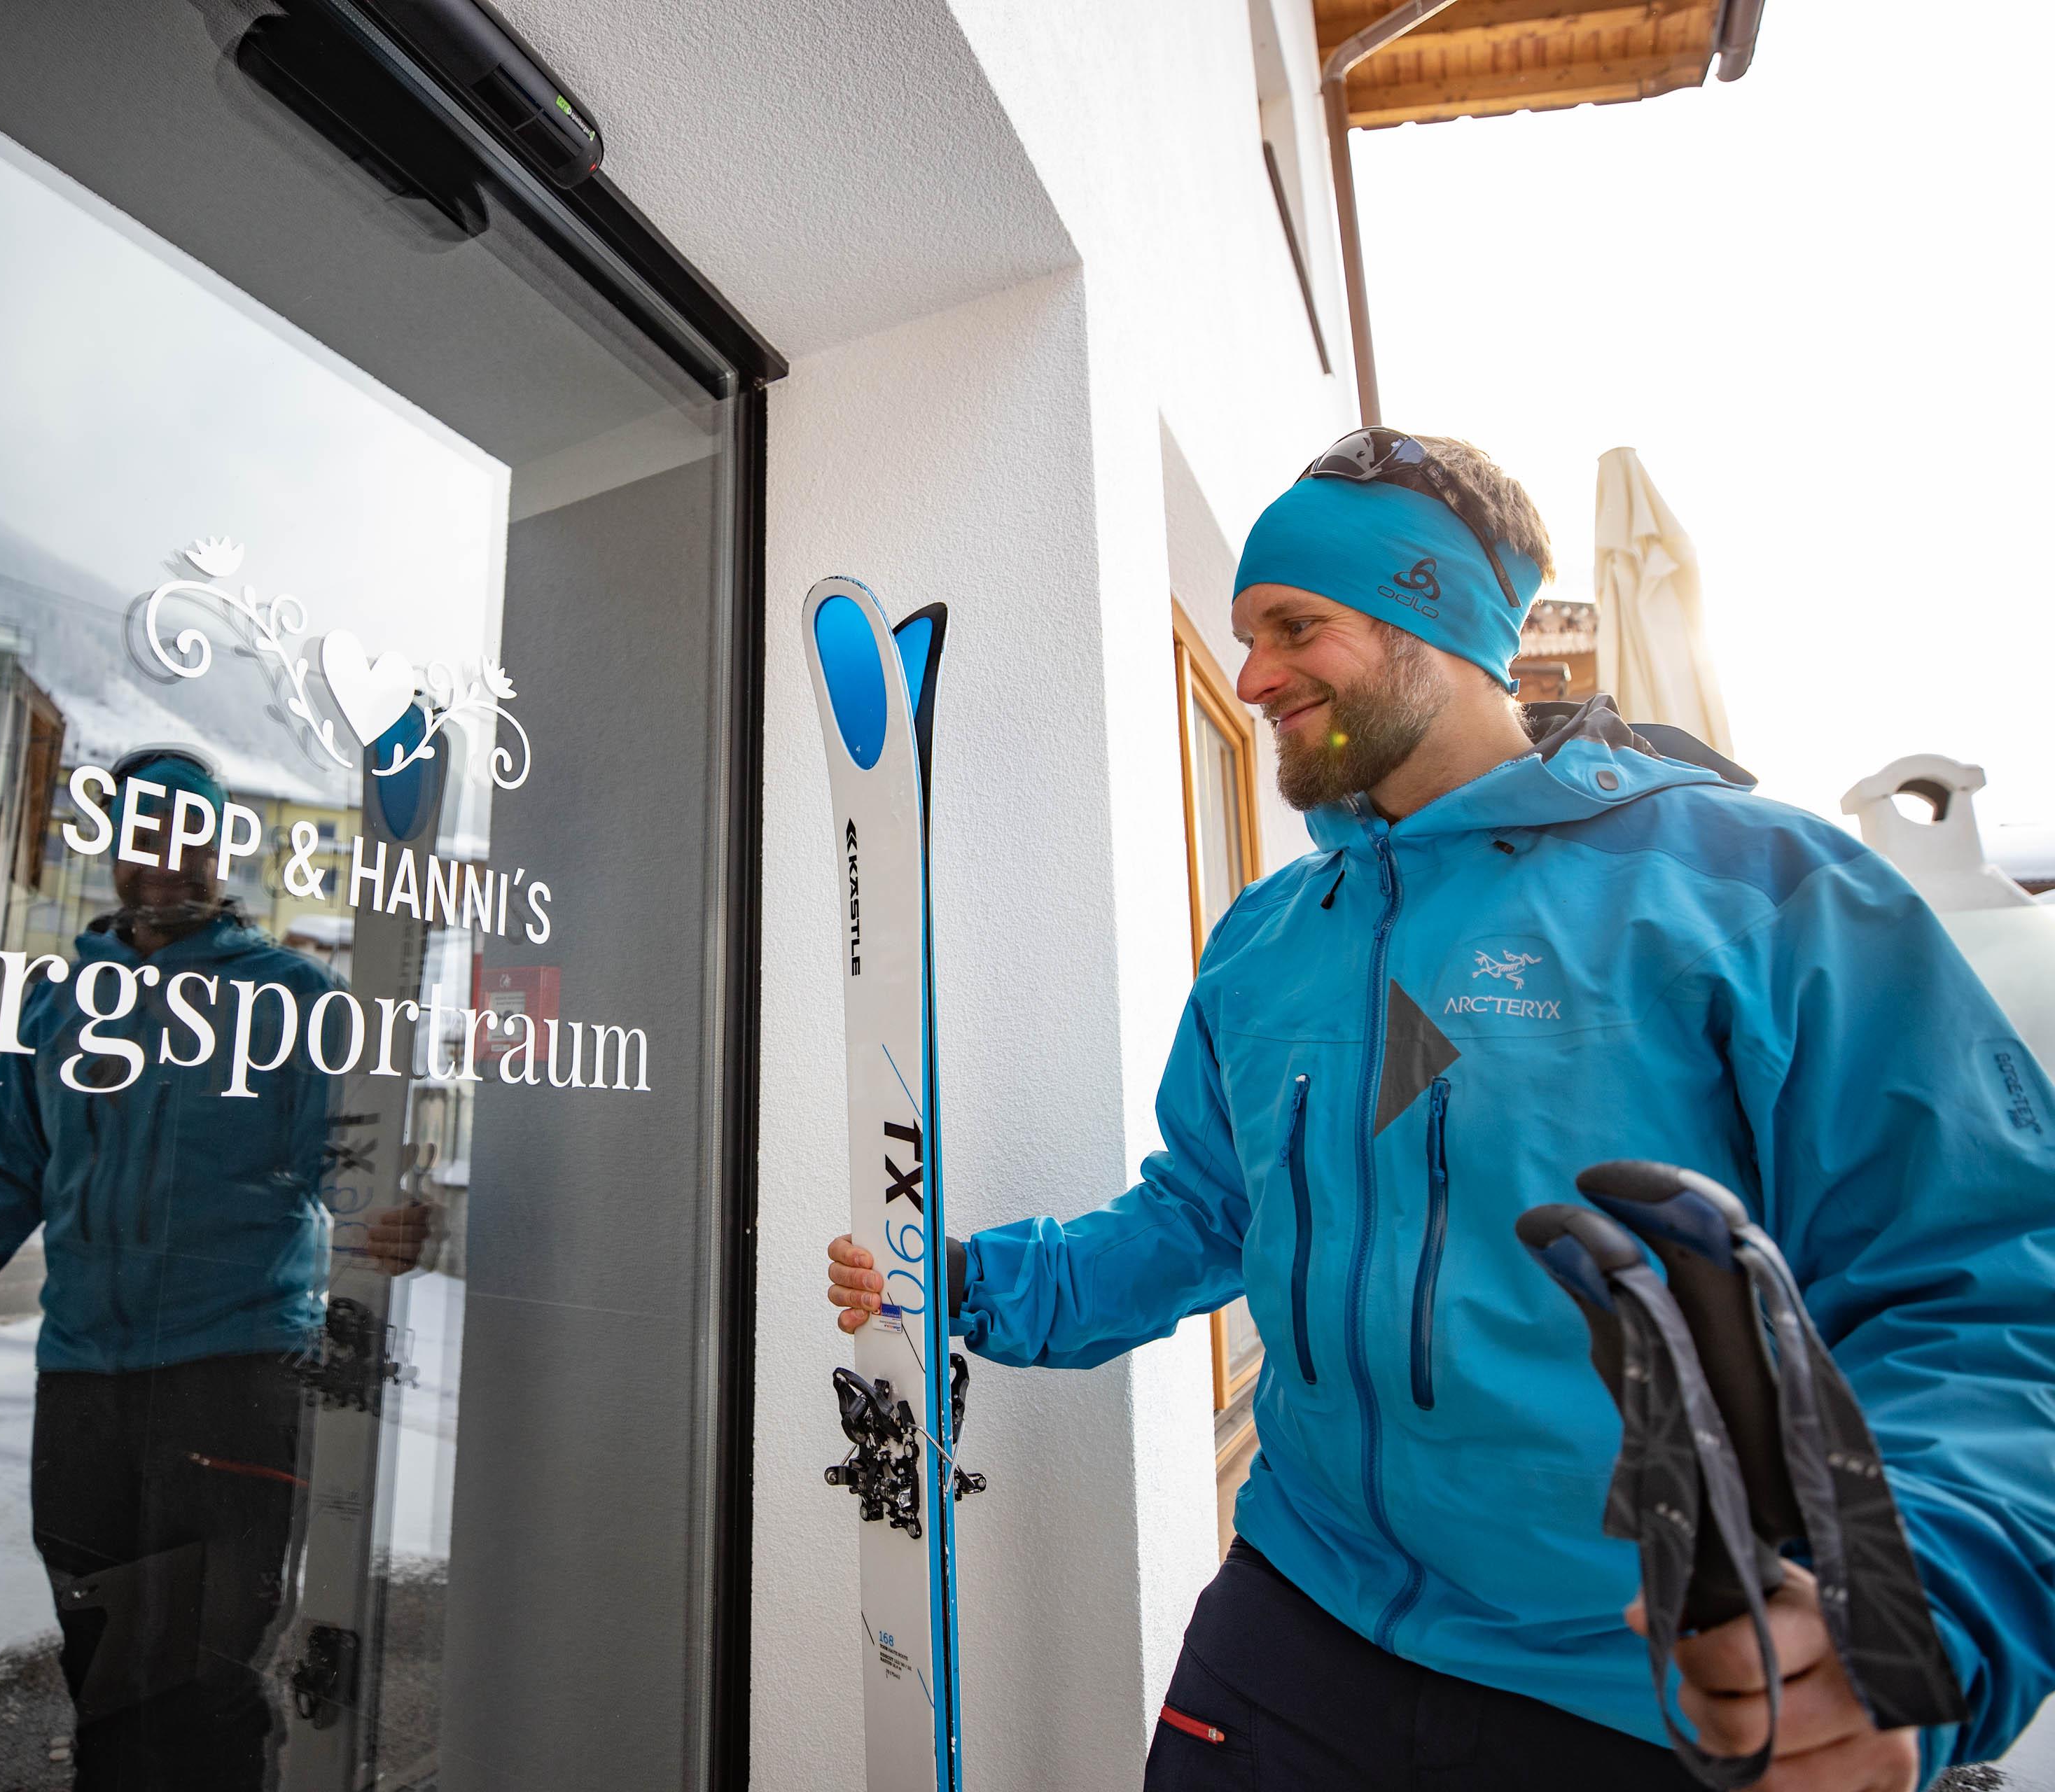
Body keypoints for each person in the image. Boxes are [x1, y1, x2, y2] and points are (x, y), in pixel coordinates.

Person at [825, 430, 2055, 1791]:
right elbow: (1207, 1213)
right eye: (1244, 637)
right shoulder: (1270, 939)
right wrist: (973, 1285)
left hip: (1640, 1676)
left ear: (1440, 622)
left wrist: (1927, 1600)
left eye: (1296, 626)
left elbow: (1985, 1283)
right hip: (1300, 1613)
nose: (1252, 677)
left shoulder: (1758, 892)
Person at [0, 746, 425, 1791]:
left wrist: (395, 1223)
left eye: (192, 835)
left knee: (208, 1681)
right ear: (113, 850)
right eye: (145, 835)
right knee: (103, 1675)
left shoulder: (292, 996)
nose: (168, 858)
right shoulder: (59, 1004)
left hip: (234, 1376)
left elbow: (351, 1170)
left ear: (223, 850)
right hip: (85, 1386)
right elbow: (6, 1175)